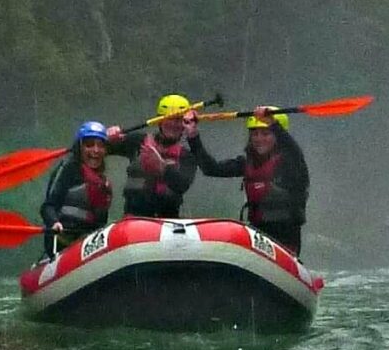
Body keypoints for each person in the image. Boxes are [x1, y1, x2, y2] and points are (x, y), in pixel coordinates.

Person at [195, 105, 310, 253]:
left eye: (265, 133)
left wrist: (273, 123)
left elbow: (294, 151)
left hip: (285, 240)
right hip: (258, 237)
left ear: (278, 135)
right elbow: (211, 168)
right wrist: (193, 137)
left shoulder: (291, 164)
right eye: (254, 134)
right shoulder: (246, 163)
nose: (259, 139)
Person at [107, 94, 208, 219]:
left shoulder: (186, 156)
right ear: (160, 121)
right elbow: (96, 150)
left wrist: (162, 168)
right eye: (170, 119)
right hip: (134, 219)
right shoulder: (137, 141)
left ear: (184, 125)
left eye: (179, 120)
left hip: (168, 222)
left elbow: (182, 185)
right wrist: (108, 136)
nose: (174, 125)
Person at [38, 120, 116, 256]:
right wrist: (54, 222)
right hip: (62, 241)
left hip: (87, 245)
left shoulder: (103, 182)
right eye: (89, 145)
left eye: (100, 146)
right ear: (80, 148)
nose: (95, 151)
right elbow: (47, 207)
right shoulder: (68, 169)